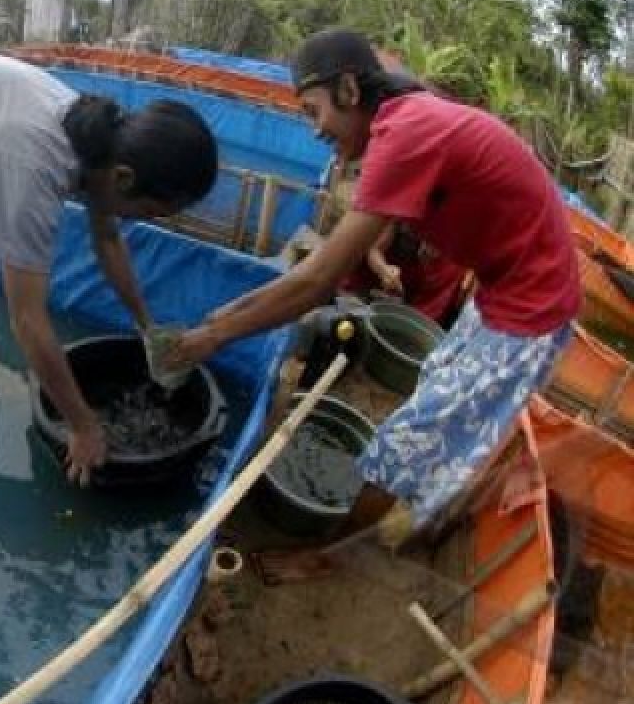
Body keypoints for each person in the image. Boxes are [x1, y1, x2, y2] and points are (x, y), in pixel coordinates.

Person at [167, 29, 579, 580]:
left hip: (531, 310)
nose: (315, 129)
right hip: (506, 285)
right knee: (439, 388)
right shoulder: (402, 113)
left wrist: (215, 334)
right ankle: (424, 506)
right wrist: (223, 319)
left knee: (408, 439)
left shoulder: (404, 136)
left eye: (315, 110)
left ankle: (331, 557)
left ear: (348, 90)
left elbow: (315, 284)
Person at [0, 53, 218, 486]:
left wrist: (147, 327)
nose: (137, 221)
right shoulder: (34, 164)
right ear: (123, 178)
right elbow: (28, 319)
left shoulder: (104, 147)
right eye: (147, 211)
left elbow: (107, 239)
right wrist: (85, 426)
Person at [342, 220, 471, 329]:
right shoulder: (403, 217)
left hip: (398, 300)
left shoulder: (451, 255)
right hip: (363, 286)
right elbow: (374, 251)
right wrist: (384, 270)